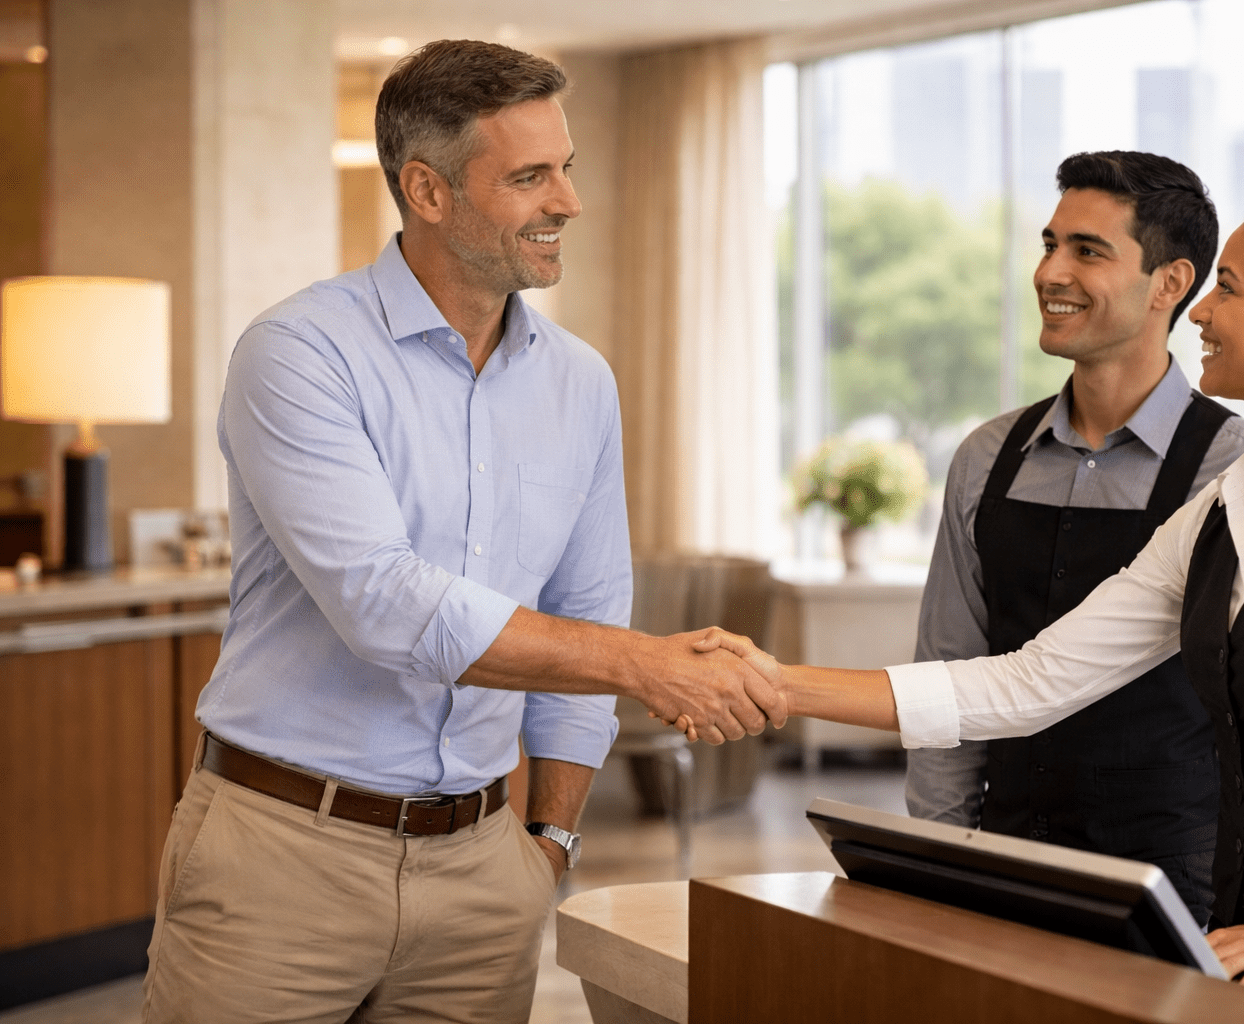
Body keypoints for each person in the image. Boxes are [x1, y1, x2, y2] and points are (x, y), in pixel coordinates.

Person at [700, 189, 1244, 1023]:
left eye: (1228, 287)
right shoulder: (1223, 509)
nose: (1199, 312)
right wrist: (778, 684)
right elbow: (1032, 681)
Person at [142, 41, 784, 1023]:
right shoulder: (300, 352)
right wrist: (644, 665)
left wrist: (549, 845)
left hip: (487, 867)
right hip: (281, 855)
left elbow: (589, 604)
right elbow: (387, 606)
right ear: (427, 191)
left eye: (566, 168)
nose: (567, 200)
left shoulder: (582, 383)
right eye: (530, 176)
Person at [906, 150, 1244, 925]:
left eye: (1087, 251)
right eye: (1049, 243)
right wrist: (938, 861)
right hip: (1003, 865)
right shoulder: (985, 459)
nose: (1050, 272)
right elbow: (948, 671)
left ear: (1170, 282)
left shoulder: (1234, 466)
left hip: (1174, 891)